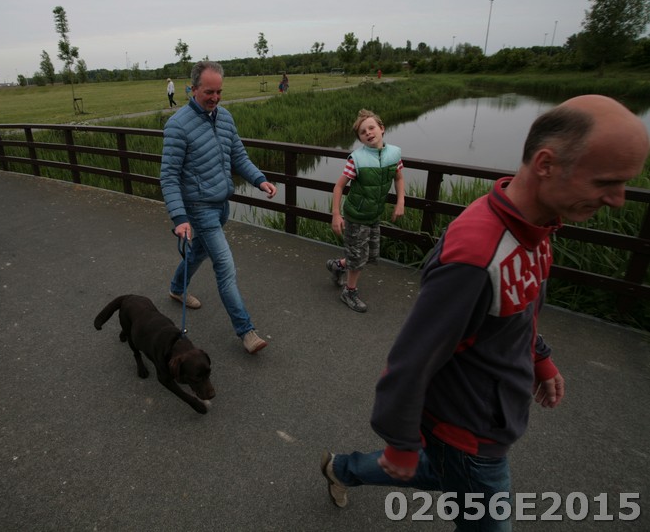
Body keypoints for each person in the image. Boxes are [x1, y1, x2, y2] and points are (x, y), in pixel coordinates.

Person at [320, 95, 650, 530]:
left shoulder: (537, 227)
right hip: (469, 428)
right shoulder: (476, 256)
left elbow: (520, 307)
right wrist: (399, 440)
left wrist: (539, 357)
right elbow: (411, 358)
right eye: (606, 182)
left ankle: (342, 469)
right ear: (546, 164)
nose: (619, 199)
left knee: (439, 472)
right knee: (461, 486)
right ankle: (349, 467)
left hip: (486, 416)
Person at [160, 60, 278, 355]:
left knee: (199, 251)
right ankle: (246, 331)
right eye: (209, 92)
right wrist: (179, 217)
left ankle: (176, 288)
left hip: (222, 203)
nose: (215, 98)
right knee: (225, 266)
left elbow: (238, 156)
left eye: (219, 92)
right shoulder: (177, 125)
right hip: (199, 208)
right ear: (193, 89)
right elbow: (169, 176)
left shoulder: (224, 117)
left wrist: (260, 180)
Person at [326, 109, 404, 312]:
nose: (368, 132)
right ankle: (349, 292)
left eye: (371, 128)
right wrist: (336, 214)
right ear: (360, 138)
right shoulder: (357, 159)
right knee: (359, 257)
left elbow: (398, 178)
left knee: (368, 254)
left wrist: (400, 202)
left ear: (382, 129)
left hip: (374, 214)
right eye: (363, 132)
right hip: (356, 215)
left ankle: (338, 265)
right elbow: (339, 186)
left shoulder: (394, 154)